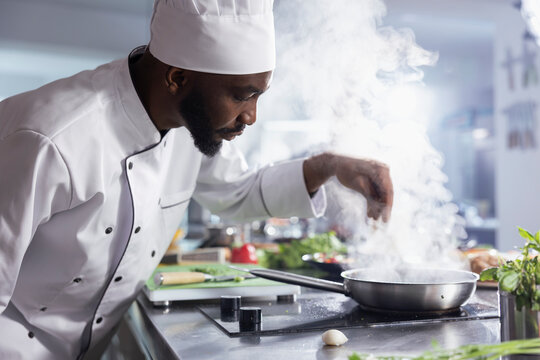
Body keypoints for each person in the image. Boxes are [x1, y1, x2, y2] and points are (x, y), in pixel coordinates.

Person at [0, 0, 393, 358]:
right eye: (243, 95)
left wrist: (328, 166)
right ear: (176, 77)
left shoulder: (188, 122)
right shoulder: (50, 140)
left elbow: (239, 192)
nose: (251, 116)